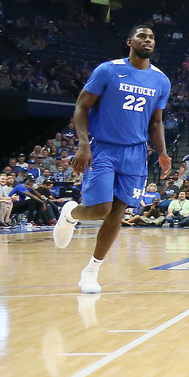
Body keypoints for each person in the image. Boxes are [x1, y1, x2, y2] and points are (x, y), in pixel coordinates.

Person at [52, 25, 172, 294]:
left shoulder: (161, 81)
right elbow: (82, 106)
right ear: (130, 41)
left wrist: (162, 152)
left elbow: (156, 122)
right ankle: (71, 213)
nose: (148, 40)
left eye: (152, 36)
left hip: (136, 153)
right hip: (104, 147)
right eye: (142, 36)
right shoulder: (108, 70)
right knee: (100, 209)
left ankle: (92, 271)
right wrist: (83, 144)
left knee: (118, 212)